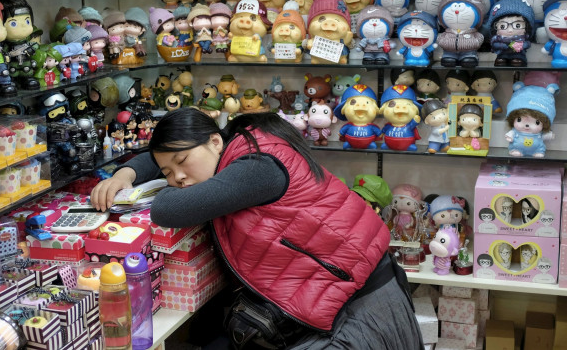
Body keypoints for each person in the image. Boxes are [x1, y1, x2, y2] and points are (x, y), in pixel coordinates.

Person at [91, 108, 423, 349]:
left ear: (215, 141)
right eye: (167, 171)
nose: (177, 177)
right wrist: (126, 174)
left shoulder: (256, 166)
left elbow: (170, 208)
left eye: (182, 164)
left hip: (359, 305)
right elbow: (171, 153)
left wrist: (157, 183)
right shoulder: (241, 143)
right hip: (332, 292)